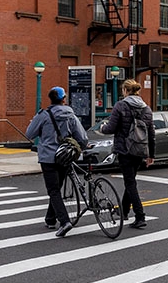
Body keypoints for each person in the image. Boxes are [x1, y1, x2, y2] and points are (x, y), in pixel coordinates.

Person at [26, 86, 88, 237]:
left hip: (48, 157)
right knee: (57, 189)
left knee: (53, 190)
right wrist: (83, 146)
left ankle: (65, 221)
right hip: (65, 156)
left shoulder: (43, 115)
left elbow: (29, 134)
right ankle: (50, 219)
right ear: (64, 99)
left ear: (51, 99)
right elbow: (82, 137)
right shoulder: (70, 115)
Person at [100, 79, 155, 229]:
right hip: (140, 150)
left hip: (125, 149)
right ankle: (123, 211)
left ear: (125, 91)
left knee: (130, 182)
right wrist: (151, 155)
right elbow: (151, 133)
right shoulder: (147, 109)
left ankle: (140, 216)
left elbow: (111, 128)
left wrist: (103, 128)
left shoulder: (120, 106)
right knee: (130, 180)